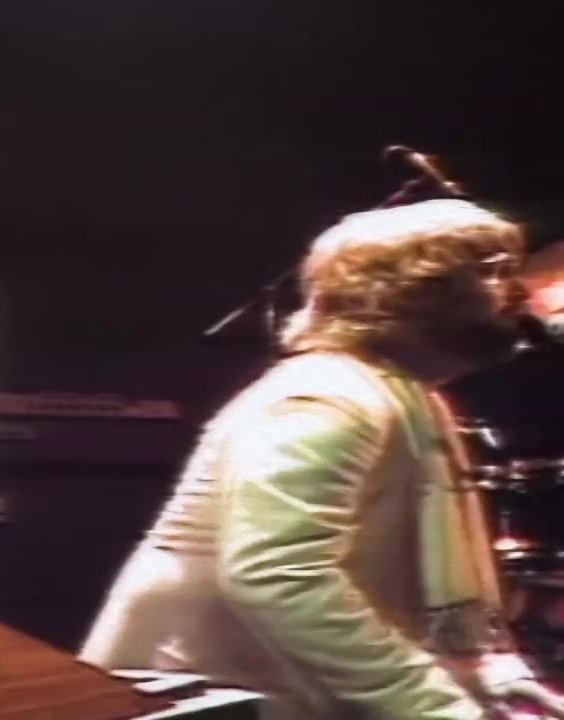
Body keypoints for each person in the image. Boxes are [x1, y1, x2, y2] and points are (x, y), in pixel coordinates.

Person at [80, 199, 564, 719]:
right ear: (417, 293)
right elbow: (280, 576)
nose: (519, 293)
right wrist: (435, 706)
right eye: (491, 274)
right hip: (209, 698)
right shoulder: (326, 398)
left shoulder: (404, 396)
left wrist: (488, 672)